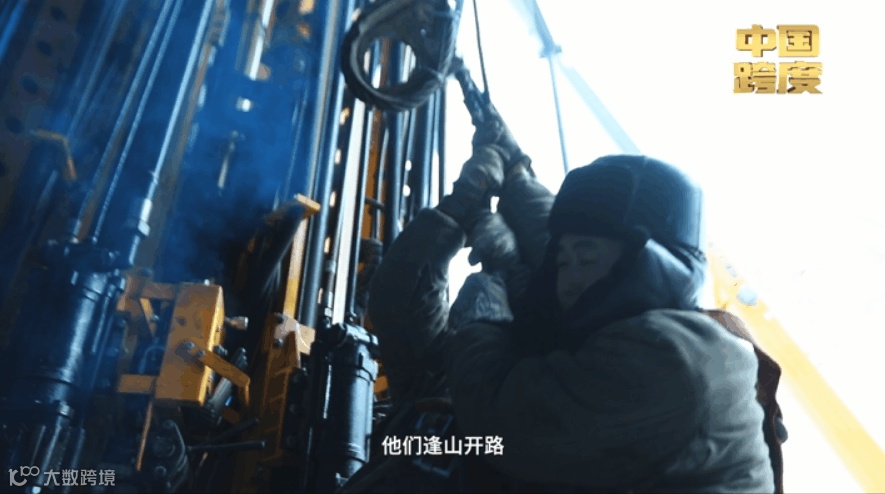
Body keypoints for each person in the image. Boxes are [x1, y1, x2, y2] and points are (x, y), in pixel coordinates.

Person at [359, 108, 780, 493]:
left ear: (646, 264)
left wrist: (483, 316)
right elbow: (400, 310)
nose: (569, 277)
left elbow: (508, 427)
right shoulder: (592, 335)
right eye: (563, 263)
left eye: (586, 260)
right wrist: (488, 189)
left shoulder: (672, 356)